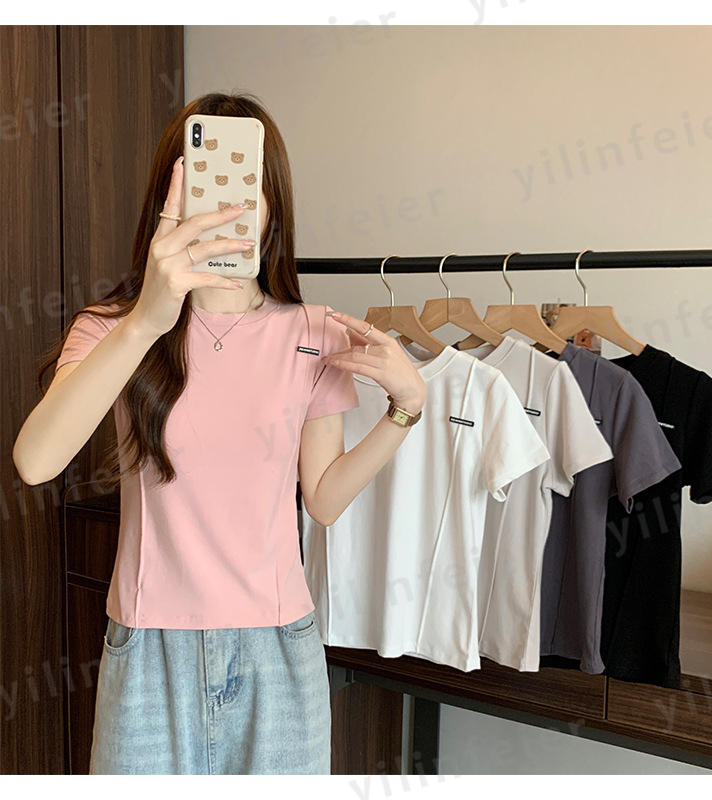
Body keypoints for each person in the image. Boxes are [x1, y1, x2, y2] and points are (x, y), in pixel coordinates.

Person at [12, 92, 427, 775]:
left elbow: (323, 499)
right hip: (148, 651)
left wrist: (405, 409)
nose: (228, 208)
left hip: (277, 652)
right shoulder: (114, 328)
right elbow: (35, 461)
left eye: (248, 188)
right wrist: (148, 318)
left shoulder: (313, 333)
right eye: (207, 186)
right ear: (169, 202)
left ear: (272, 209)